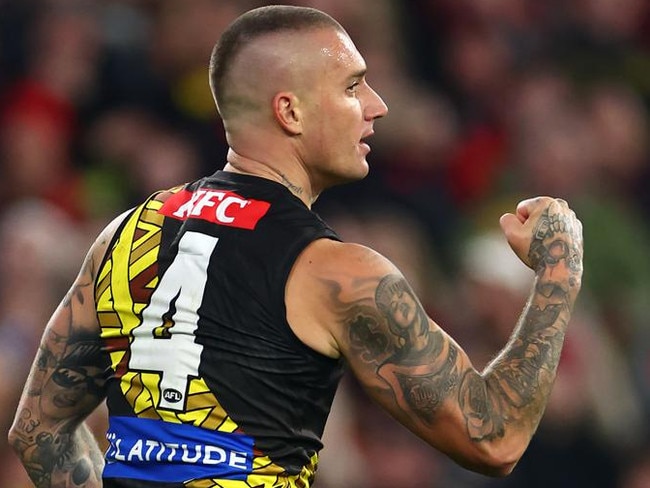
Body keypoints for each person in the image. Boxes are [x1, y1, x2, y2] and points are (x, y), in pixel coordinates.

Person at [8, 5, 584, 488]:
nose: (377, 105)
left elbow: (39, 432)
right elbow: (494, 438)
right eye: (354, 86)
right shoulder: (336, 274)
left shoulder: (123, 234)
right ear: (290, 111)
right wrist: (559, 266)